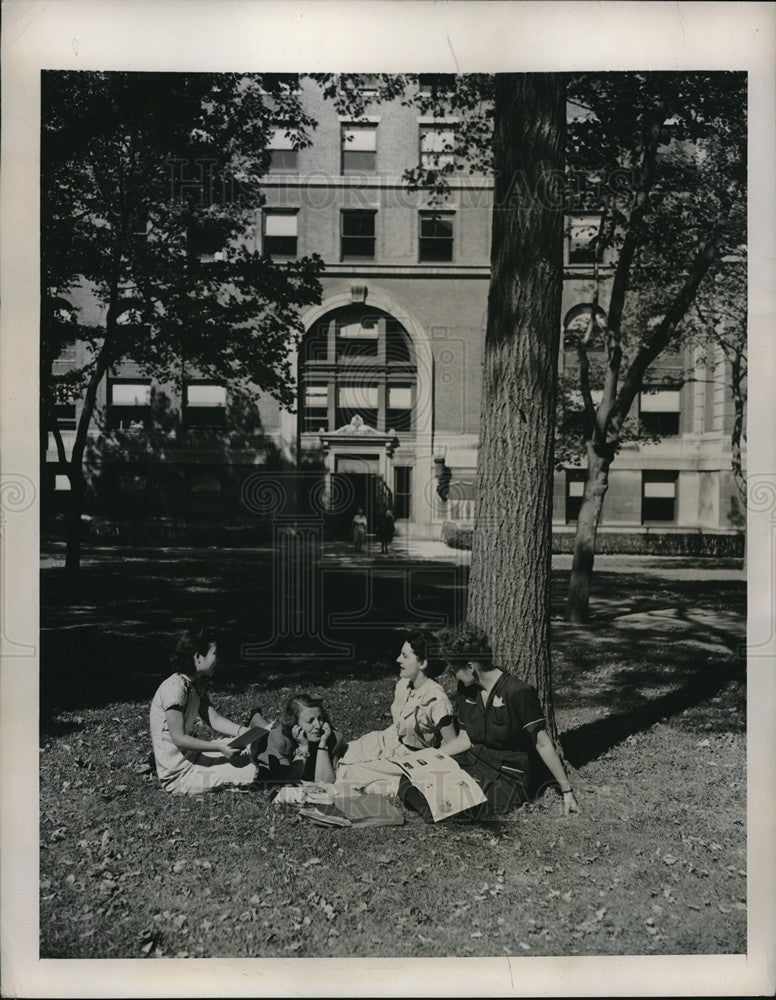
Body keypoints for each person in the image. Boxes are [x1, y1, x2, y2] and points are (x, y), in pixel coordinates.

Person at [435, 623, 580, 817]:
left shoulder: (518, 692)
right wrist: (431, 756)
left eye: (454, 671)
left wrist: (567, 792)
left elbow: (542, 743)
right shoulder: (467, 689)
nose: (454, 677)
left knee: (459, 805)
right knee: (415, 785)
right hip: (475, 761)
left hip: (508, 775)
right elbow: (465, 739)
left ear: (470, 667)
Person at [335, 628, 456, 796]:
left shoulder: (436, 700)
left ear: (423, 663)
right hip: (389, 740)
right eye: (401, 654)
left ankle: (394, 782)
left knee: (351, 774)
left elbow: (453, 744)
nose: (398, 660)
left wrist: (427, 765)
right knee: (343, 754)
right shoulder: (404, 684)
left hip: (412, 757)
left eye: (405, 656)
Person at [149, 627, 269, 795]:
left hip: (193, 756)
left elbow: (214, 719)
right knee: (252, 769)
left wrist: (247, 732)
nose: (218, 660)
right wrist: (220, 749)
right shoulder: (174, 688)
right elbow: (179, 739)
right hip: (179, 774)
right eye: (215, 655)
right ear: (198, 657)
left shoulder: (194, 684)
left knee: (243, 754)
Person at [255, 693, 344, 786]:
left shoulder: (334, 738)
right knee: (261, 727)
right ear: (294, 723)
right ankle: (255, 716)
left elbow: (326, 783)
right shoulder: (281, 739)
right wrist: (303, 747)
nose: (318, 726)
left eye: (320, 718)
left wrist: (323, 744)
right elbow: (287, 782)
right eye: (310, 721)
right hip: (260, 744)